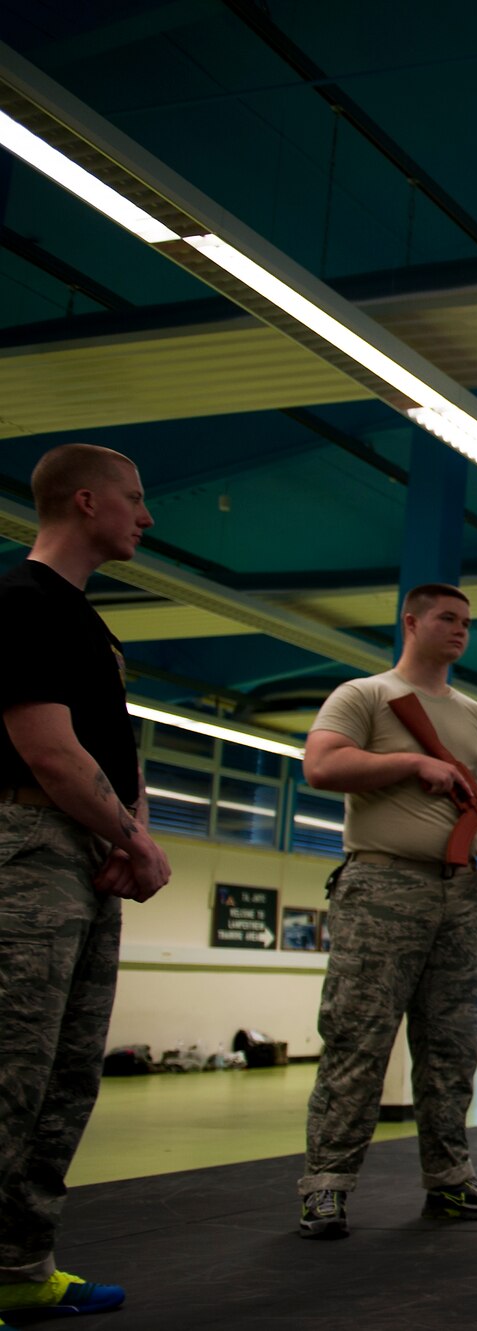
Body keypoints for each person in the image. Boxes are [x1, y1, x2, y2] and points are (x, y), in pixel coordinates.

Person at [0, 444, 170, 1322]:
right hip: (29, 847)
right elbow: (50, 752)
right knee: (10, 1072)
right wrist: (136, 840)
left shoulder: (90, 625)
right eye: (134, 499)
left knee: (65, 1078)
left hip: (85, 854)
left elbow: (111, 749)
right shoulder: (21, 600)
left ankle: (20, 1267)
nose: (145, 516)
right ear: (85, 499)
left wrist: (126, 833)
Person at [295, 583, 477, 1239]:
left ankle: (449, 1180)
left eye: (468, 623)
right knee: (357, 1037)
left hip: (461, 889)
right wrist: (409, 763)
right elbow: (321, 763)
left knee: (451, 1046)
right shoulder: (364, 696)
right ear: (411, 621)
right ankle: (326, 1186)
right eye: (447, 618)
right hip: (382, 884)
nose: (459, 631)